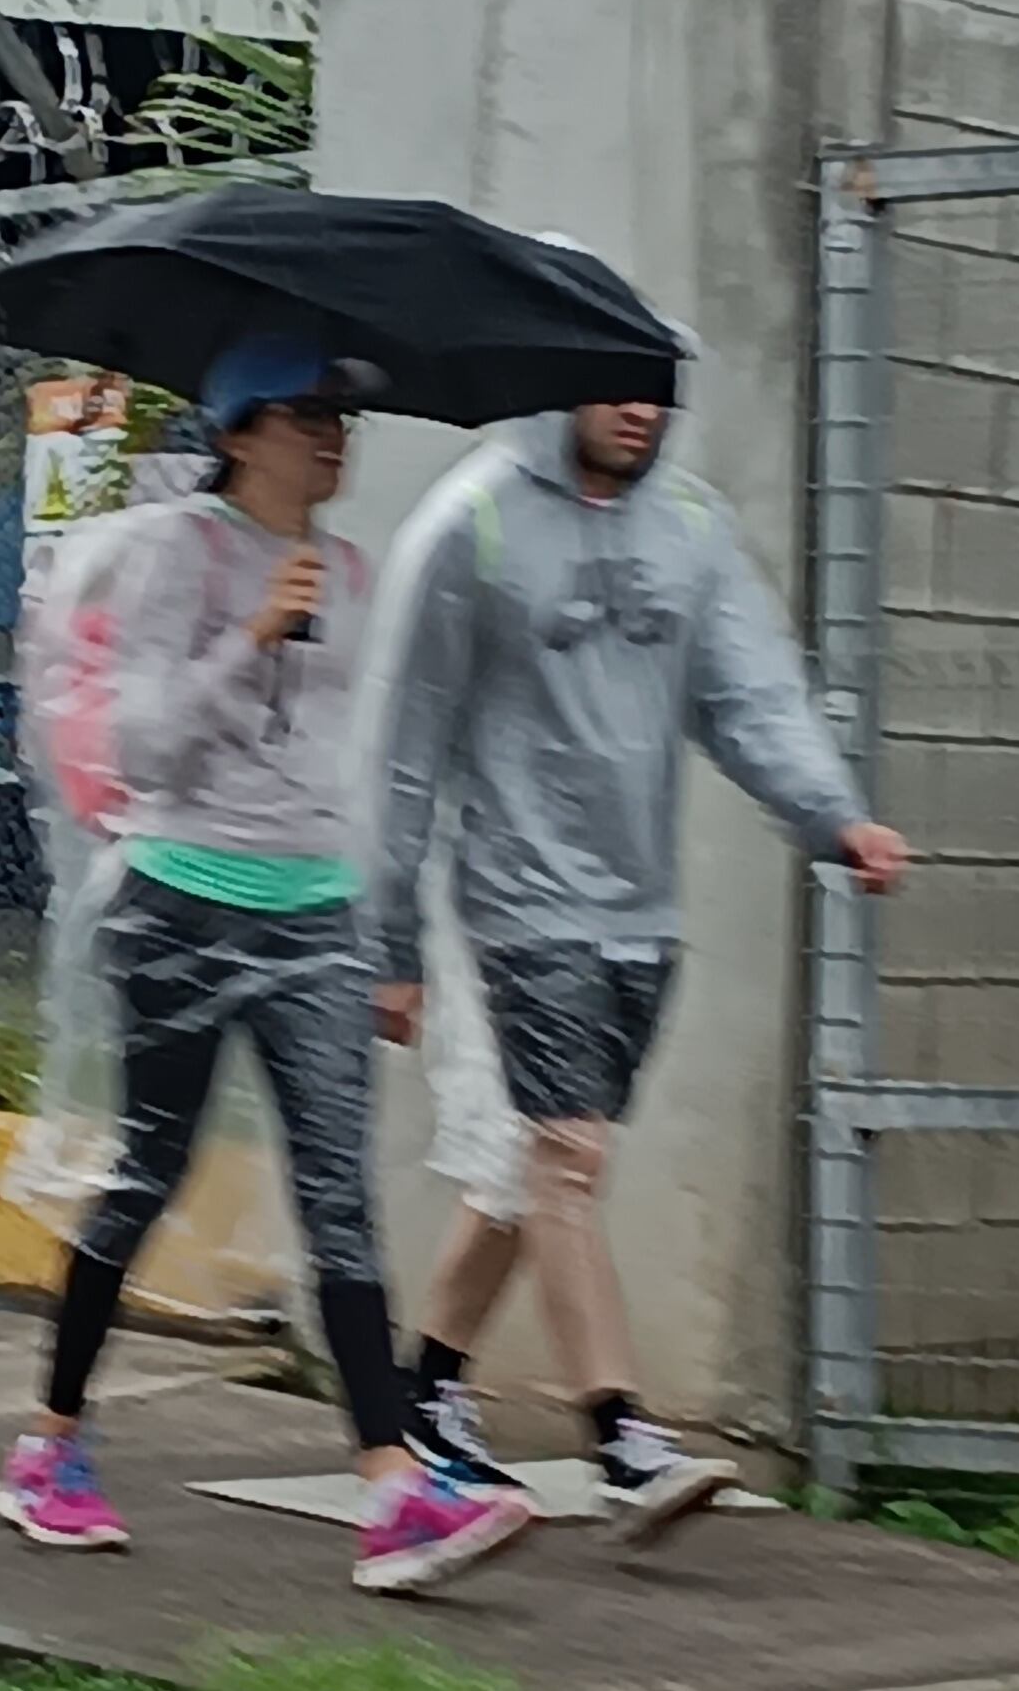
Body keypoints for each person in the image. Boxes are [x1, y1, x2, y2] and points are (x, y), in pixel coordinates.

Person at [0, 333, 535, 1597]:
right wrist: (249, 634)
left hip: (318, 917)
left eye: (344, 418)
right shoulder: (165, 554)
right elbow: (145, 750)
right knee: (148, 1173)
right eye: (306, 417)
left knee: (339, 1197)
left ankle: (391, 1489)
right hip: (179, 902)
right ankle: (50, 1445)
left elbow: (361, 772)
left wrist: (389, 935)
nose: (333, 437)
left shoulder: (350, 570)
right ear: (238, 432)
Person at [366, 396, 911, 1538]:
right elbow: (401, 739)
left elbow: (747, 690)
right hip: (513, 899)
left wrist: (831, 815)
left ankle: (424, 1389)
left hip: (636, 910)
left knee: (529, 1171)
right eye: (611, 377)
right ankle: (619, 1433)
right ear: (559, 383)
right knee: (570, 1157)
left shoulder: (689, 527)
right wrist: (390, 938)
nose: (638, 402)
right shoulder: (474, 522)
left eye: (657, 378)